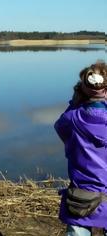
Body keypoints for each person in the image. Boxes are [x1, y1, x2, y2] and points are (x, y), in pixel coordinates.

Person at [54, 61, 107, 236]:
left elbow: (60, 129)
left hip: (80, 198)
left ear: (82, 90)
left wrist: (75, 104)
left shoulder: (72, 118)